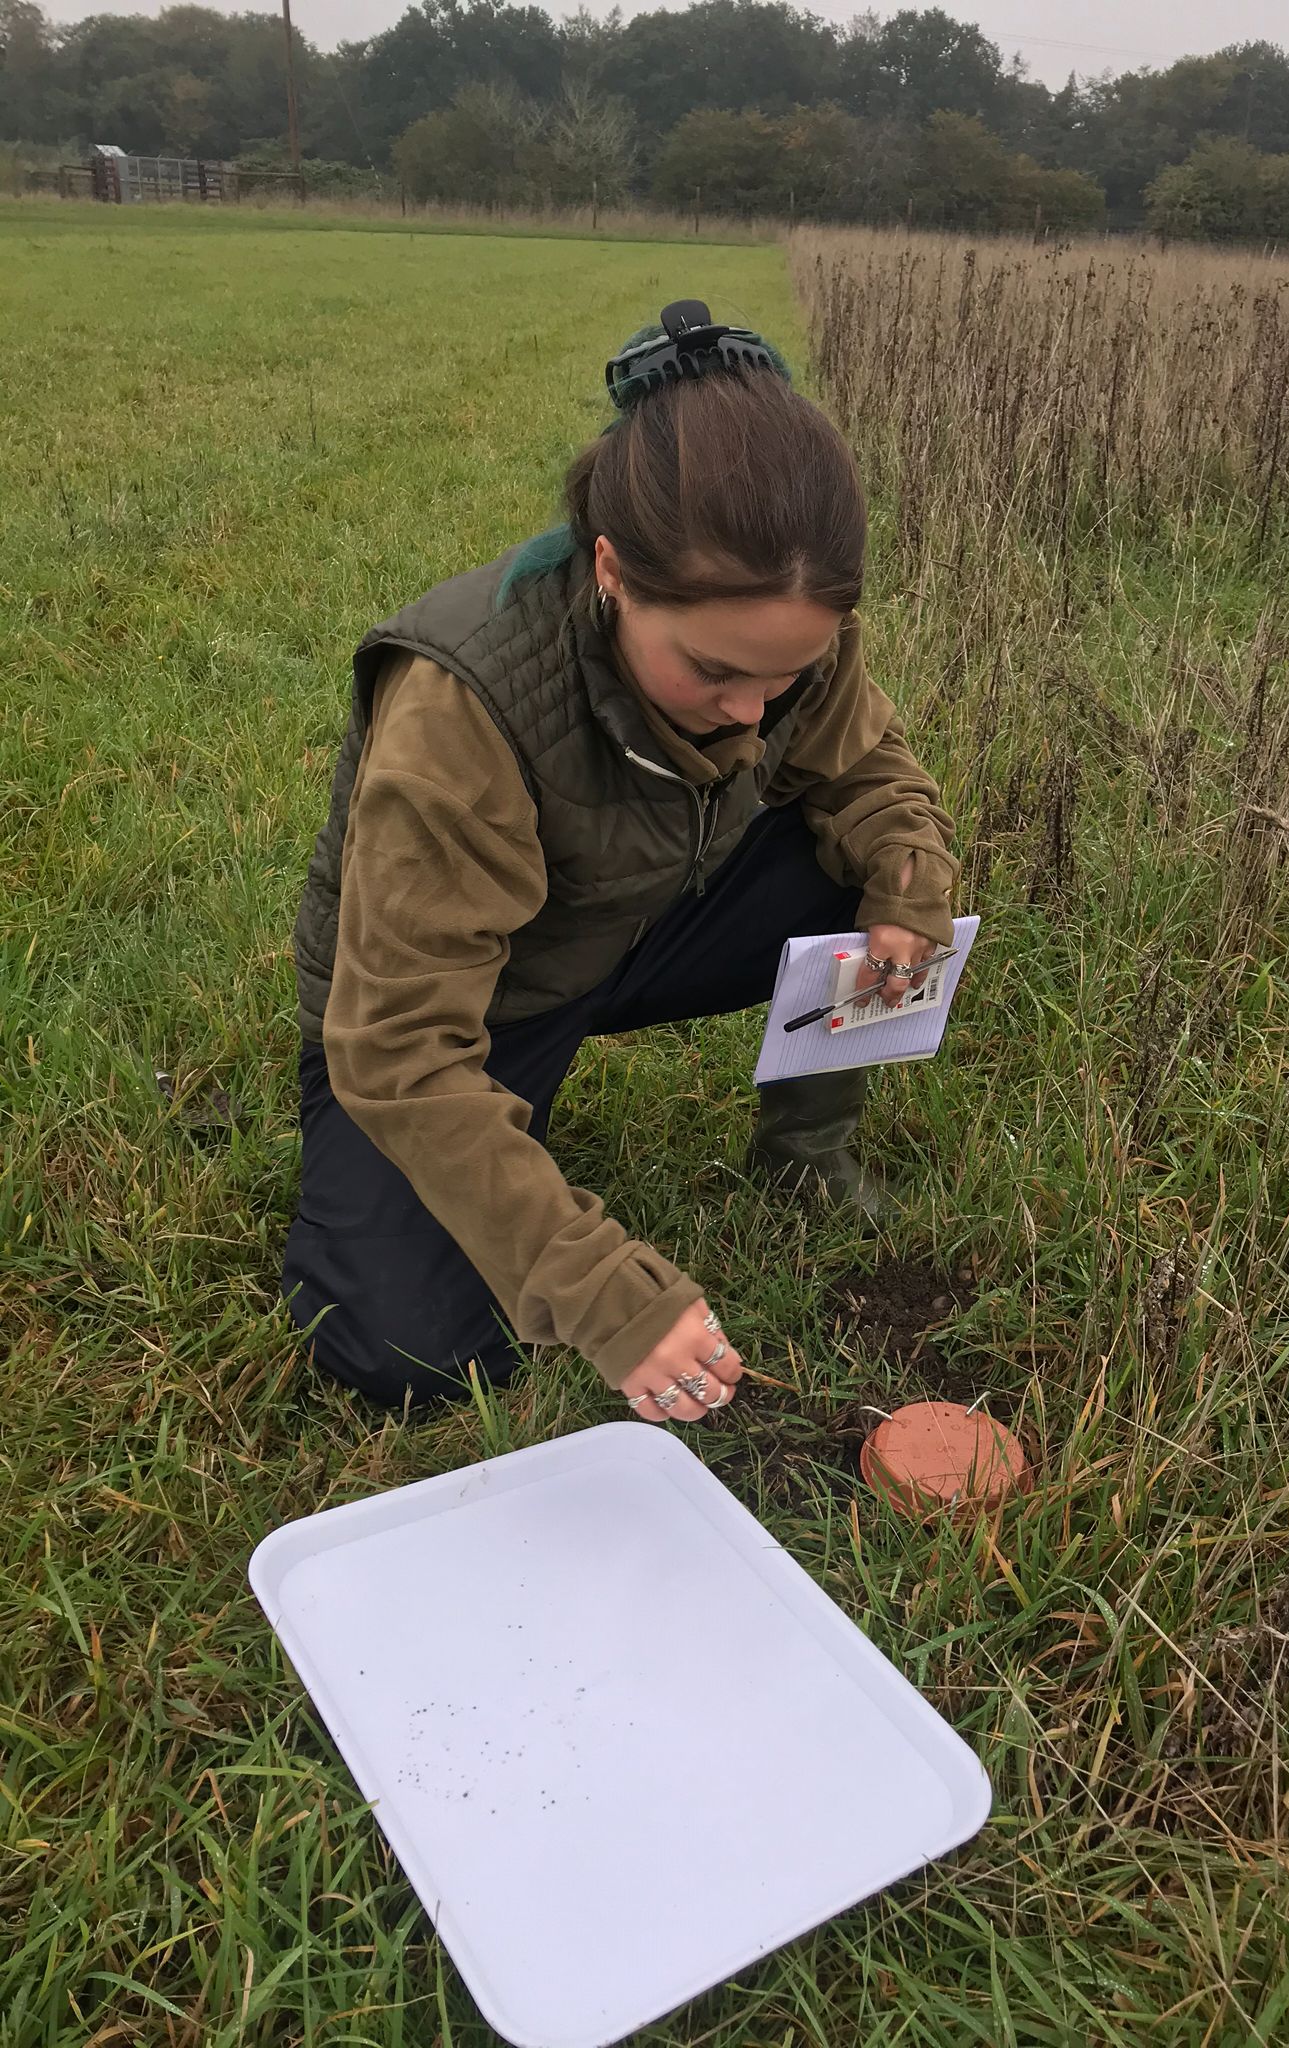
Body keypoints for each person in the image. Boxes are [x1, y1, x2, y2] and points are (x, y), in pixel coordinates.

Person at [280, 301, 960, 1426]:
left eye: (786, 675)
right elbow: (396, 1045)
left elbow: (874, 775)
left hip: (638, 924)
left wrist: (909, 887)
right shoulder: (465, 705)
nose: (753, 710)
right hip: (469, 1007)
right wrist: (599, 1290)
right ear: (612, 570)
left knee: (867, 874)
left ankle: (810, 1154)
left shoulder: (784, 634)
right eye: (713, 671)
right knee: (405, 1350)